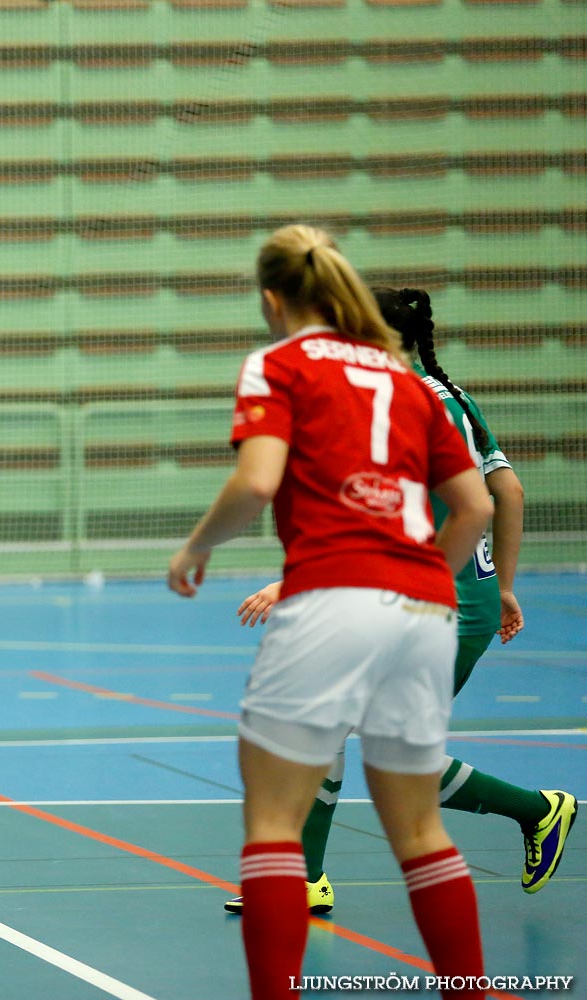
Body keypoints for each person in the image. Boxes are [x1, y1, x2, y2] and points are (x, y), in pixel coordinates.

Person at [167, 225, 494, 999]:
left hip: (331, 600)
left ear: (273, 299)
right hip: (424, 609)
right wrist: (420, 581)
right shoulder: (405, 378)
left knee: (274, 826)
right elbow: (475, 504)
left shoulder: (278, 365)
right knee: (422, 833)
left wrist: (195, 549)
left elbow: (255, 483)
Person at [223, 286, 574, 917]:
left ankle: (537, 810)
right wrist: (504, 586)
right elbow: (508, 494)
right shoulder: (452, 396)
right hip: (462, 603)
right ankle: (306, 880)